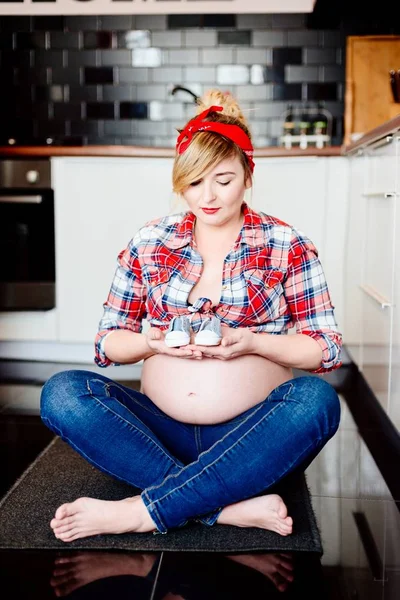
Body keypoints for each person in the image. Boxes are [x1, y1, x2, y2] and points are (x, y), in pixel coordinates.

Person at [40, 89, 342, 543]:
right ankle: (220, 506)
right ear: (180, 181)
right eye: (195, 182)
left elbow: (325, 347)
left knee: (317, 402)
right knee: (62, 394)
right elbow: (108, 342)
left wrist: (254, 341)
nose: (208, 195)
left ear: (247, 175)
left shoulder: (286, 242)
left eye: (223, 179)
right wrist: (152, 342)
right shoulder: (151, 240)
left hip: (251, 432)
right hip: (160, 432)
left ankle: (141, 511)